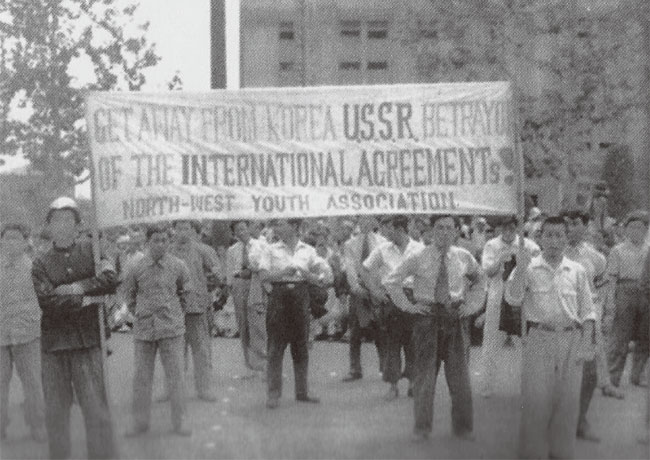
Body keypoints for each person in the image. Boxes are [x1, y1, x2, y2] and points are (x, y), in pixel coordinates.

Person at [384, 215, 486, 442]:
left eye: (449, 228)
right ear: (431, 231)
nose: (444, 233)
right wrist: (409, 306)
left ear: (456, 232)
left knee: (460, 377)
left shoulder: (463, 256)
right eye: (439, 228)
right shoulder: (418, 256)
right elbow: (392, 281)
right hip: (427, 319)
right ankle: (422, 429)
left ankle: (463, 428)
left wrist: (472, 306)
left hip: (455, 317)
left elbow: (480, 280)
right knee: (424, 377)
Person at [31, 197, 118, 459]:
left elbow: (110, 280)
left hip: (88, 340)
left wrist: (78, 288)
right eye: (56, 220)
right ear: (49, 226)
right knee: (56, 412)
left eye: (68, 220)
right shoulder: (40, 263)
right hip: (54, 345)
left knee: (96, 410)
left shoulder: (93, 251)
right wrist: (90, 295)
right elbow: (48, 301)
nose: (62, 225)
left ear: (78, 225)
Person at [505, 216, 596, 459]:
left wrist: (586, 343)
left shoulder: (576, 270)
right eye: (549, 235)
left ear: (567, 239)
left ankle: (561, 453)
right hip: (539, 338)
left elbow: (588, 311)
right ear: (540, 238)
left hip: (571, 339)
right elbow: (513, 299)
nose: (554, 241)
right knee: (536, 401)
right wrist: (521, 269)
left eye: (559, 235)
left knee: (567, 403)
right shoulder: (528, 267)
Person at [122, 224, 193, 437]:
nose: (161, 244)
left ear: (168, 242)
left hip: (171, 328)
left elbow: (186, 293)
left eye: (164, 240)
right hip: (144, 330)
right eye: (156, 240)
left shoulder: (178, 266)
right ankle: (140, 423)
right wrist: (142, 313)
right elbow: (130, 296)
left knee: (175, 377)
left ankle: (179, 422)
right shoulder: (136, 266)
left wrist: (174, 314)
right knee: (142, 378)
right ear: (147, 241)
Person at [561, 210, 623, 443]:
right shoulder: (551, 252)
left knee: (589, 375)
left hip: (586, 321)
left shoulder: (596, 258)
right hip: (558, 321)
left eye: (575, 223)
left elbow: (603, 291)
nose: (569, 228)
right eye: (566, 223)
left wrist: (605, 315)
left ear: (585, 226)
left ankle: (580, 421)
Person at [258, 219, 332, 409]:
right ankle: (273, 394)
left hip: (300, 297)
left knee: (301, 347)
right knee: (275, 347)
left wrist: (310, 276)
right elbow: (263, 277)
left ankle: (302, 392)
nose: (276, 228)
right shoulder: (270, 249)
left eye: (281, 225)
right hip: (279, 297)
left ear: (294, 227)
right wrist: (283, 272)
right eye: (276, 225)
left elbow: (326, 275)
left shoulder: (307, 250)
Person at [361, 215, 424, 400]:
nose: (384, 233)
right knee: (391, 343)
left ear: (400, 230)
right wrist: (374, 291)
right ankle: (393, 386)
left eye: (388, 229)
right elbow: (364, 269)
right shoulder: (382, 249)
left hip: (413, 296)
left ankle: (413, 383)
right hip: (390, 298)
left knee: (413, 343)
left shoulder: (419, 249)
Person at [480, 215, 539, 398]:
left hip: (522, 299)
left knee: (527, 343)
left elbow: (538, 270)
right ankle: (487, 385)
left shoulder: (529, 245)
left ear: (517, 228)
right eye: (504, 227)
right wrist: (500, 259)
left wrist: (525, 260)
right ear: (500, 229)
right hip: (498, 298)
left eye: (512, 227)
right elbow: (488, 271)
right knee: (491, 342)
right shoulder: (492, 245)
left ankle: (530, 386)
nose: (508, 231)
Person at [1, 223, 46, 442]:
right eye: (6, 238)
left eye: (15, 238)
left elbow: (43, 300)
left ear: (24, 242)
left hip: (27, 334)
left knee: (32, 383)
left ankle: (37, 425)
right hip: (1, 336)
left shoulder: (34, 268)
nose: (10, 242)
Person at [169, 220, 221, 401]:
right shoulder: (168, 251)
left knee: (201, 350)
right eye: (179, 228)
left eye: (186, 228)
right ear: (173, 230)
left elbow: (217, 274)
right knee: (174, 351)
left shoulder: (203, 250)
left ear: (192, 230)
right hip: (172, 308)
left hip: (197, 307)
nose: (182, 232)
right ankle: (173, 390)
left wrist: (204, 288)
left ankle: (204, 389)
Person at [606, 211, 649, 390]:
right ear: (625, 230)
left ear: (646, 230)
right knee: (620, 337)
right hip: (625, 291)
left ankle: (637, 375)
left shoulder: (649, 249)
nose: (635, 231)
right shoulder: (618, 250)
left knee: (646, 336)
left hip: (646, 293)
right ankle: (613, 377)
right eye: (632, 227)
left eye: (640, 228)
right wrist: (610, 301)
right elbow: (612, 278)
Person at [341, 216, 387, 381]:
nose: (365, 224)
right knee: (355, 331)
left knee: (380, 330)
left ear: (374, 222)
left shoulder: (383, 242)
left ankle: (385, 367)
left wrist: (377, 289)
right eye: (362, 220)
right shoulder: (350, 244)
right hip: (358, 290)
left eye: (369, 220)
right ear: (358, 223)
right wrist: (355, 287)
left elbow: (384, 267)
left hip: (377, 289)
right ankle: (355, 369)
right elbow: (350, 267)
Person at [226, 220, 268, 379]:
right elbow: (230, 273)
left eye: (244, 228)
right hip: (239, 286)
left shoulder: (260, 246)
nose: (241, 232)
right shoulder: (232, 250)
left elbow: (263, 266)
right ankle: (251, 367)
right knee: (243, 325)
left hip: (255, 283)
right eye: (238, 230)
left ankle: (263, 366)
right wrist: (232, 288)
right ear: (234, 233)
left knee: (257, 325)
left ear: (248, 229)